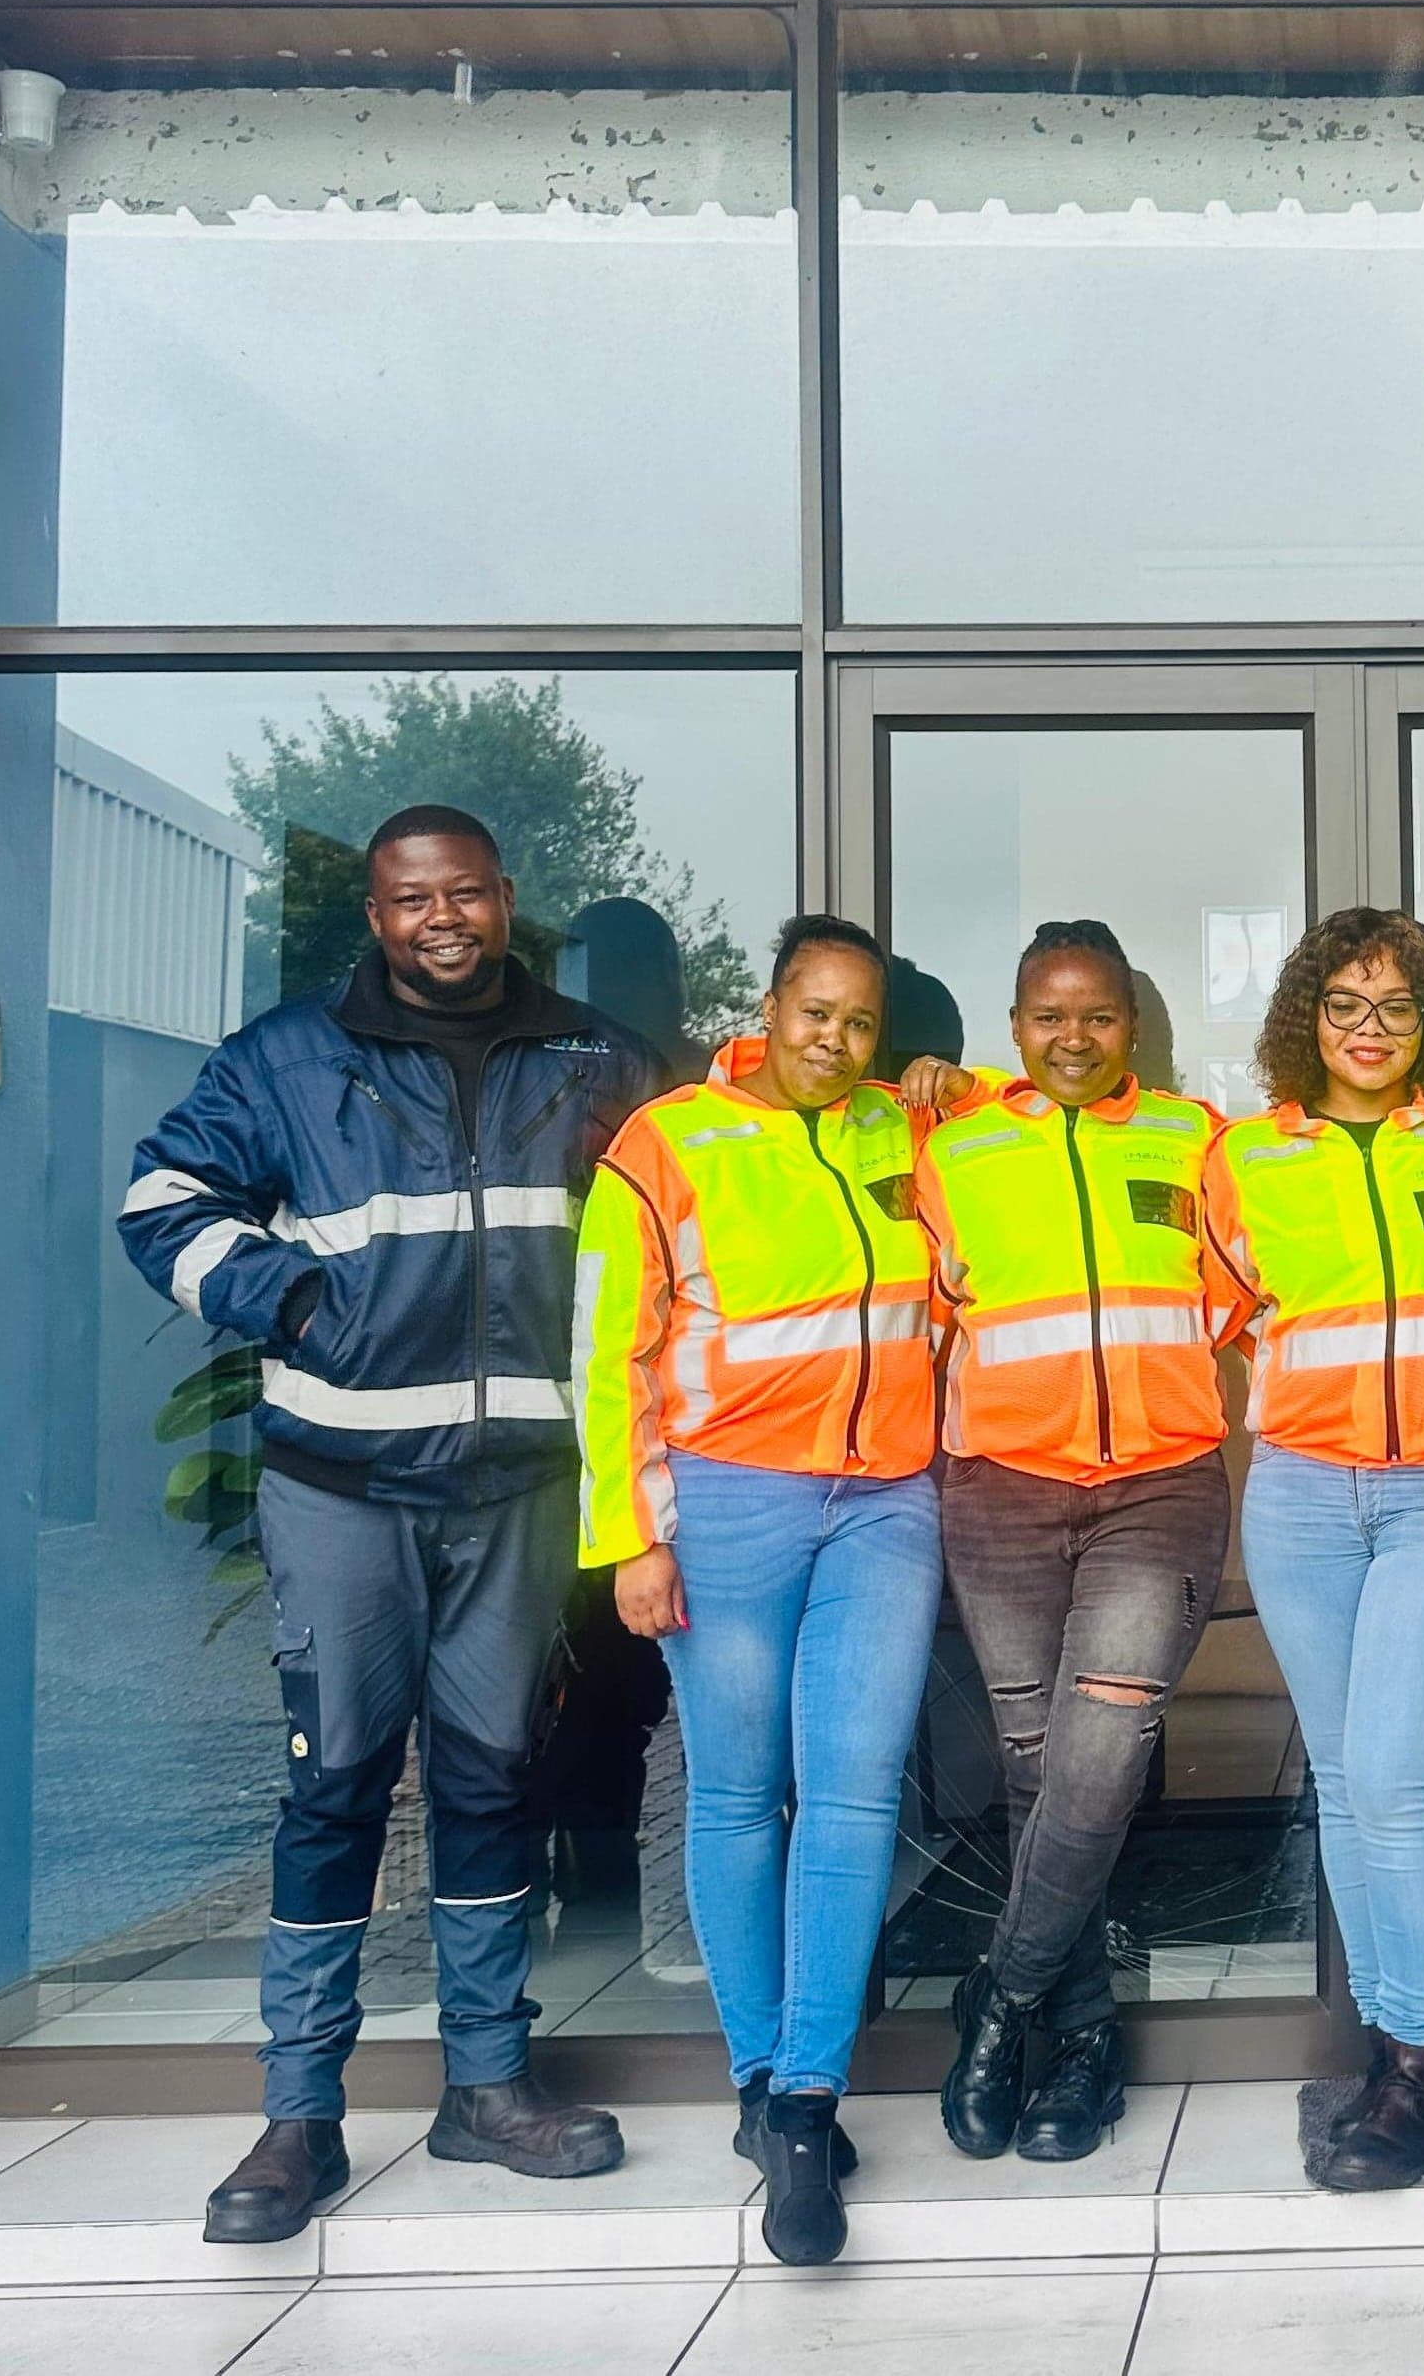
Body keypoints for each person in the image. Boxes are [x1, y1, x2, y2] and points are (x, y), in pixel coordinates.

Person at [117, 806, 660, 2245]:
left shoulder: (593, 1057)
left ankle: (487, 2086)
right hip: (343, 1484)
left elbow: (705, 1183)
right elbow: (161, 1201)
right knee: (337, 1786)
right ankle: (299, 2115)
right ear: (376, 914)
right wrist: (298, 1301)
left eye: (464, 893)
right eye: (412, 899)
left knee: (490, 1782)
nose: (441, 918)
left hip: (521, 1484)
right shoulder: (288, 1058)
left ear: (505, 898)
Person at [573, 915, 942, 2266]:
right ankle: (756, 2070)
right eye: (813, 1011)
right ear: (769, 1007)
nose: (833, 1040)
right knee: (737, 1791)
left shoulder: (902, 1132)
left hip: (887, 1499)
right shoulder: (668, 1140)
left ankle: (805, 2100)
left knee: (853, 1791)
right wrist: (630, 1534)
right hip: (728, 1503)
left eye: (859, 1021)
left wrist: (949, 1086)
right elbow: (604, 1347)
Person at [1202, 908, 1424, 2191]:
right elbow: (1226, 1304)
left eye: (1397, 1005)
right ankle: (1387, 2043)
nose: (1371, 1028)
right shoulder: (1245, 1158)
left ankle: (1422, 2071)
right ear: (1309, 1017)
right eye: (1345, 1004)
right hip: (1300, 1495)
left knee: (1393, 1777)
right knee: (1343, 1780)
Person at [903, 919, 1228, 2165]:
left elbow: (1243, 1287)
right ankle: (1084, 2044)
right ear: (1015, 1026)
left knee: (1100, 1755)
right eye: (1049, 1016)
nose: (1074, 1037)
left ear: (1133, 1025)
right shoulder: (957, 1144)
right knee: (1039, 1774)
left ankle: (1001, 1998)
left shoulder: (1197, 1140)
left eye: (1097, 1015)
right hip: (1002, 1492)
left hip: (1159, 1484)